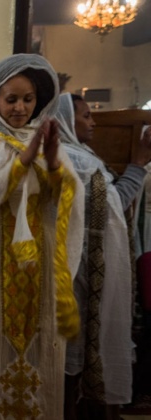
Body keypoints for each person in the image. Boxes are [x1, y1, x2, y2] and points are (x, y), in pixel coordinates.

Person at [0, 54, 85, 419]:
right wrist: (24, 160)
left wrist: (53, 165)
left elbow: (65, 199)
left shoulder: (50, 145)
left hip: (38, 261)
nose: (19, 107)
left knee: (41, 342)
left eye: (27, 99)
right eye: (11, 99)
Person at [57, 93, 151, 419]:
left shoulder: (80, 156)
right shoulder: (77, 162)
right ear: (65, 121)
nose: (93, 122)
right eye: (85, 116)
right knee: (75, 359)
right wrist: (139, 162)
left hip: (74, 270)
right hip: (80, 275)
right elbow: (115, 206)